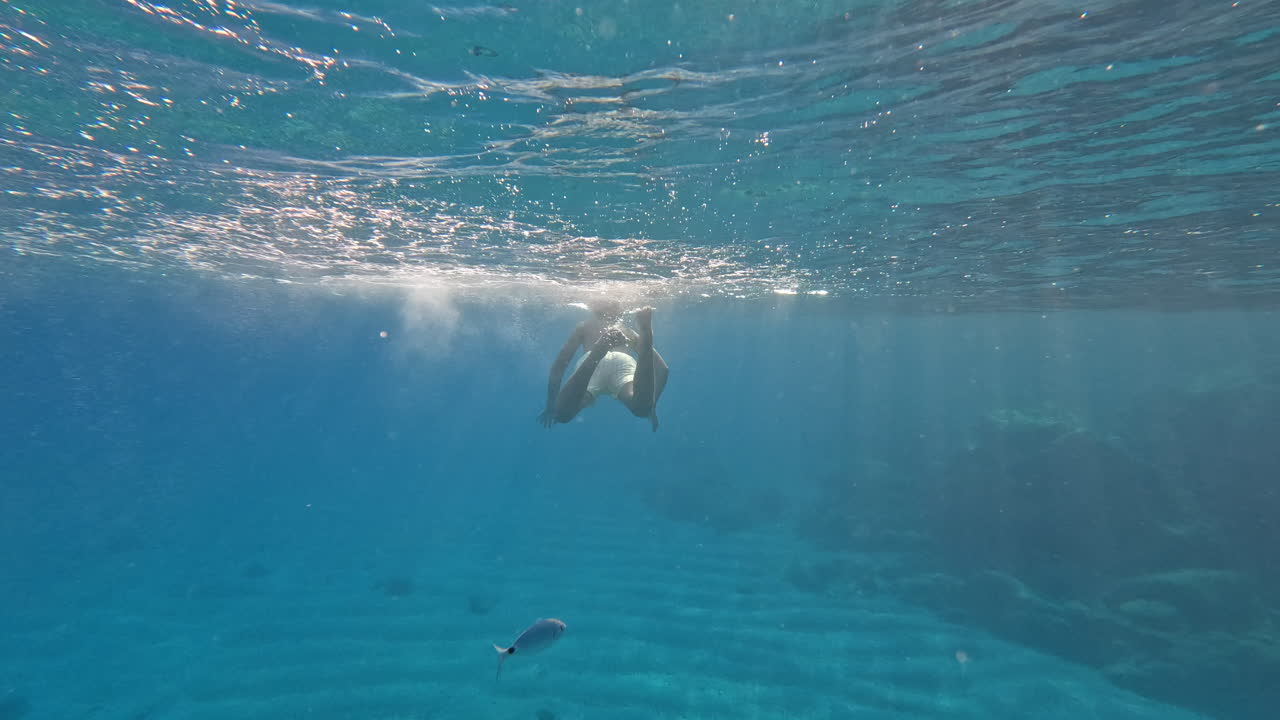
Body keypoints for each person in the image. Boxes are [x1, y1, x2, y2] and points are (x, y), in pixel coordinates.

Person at [538, 300, 669, 431]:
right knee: (641, 409)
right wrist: (651, 405)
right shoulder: (627, 332)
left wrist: (551, 405)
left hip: (592, 363)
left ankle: (597, 353)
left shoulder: (583, 328)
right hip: (622, 363)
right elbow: (663, 369)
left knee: (563, 414)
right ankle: (647, 334)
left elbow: (559, 366)